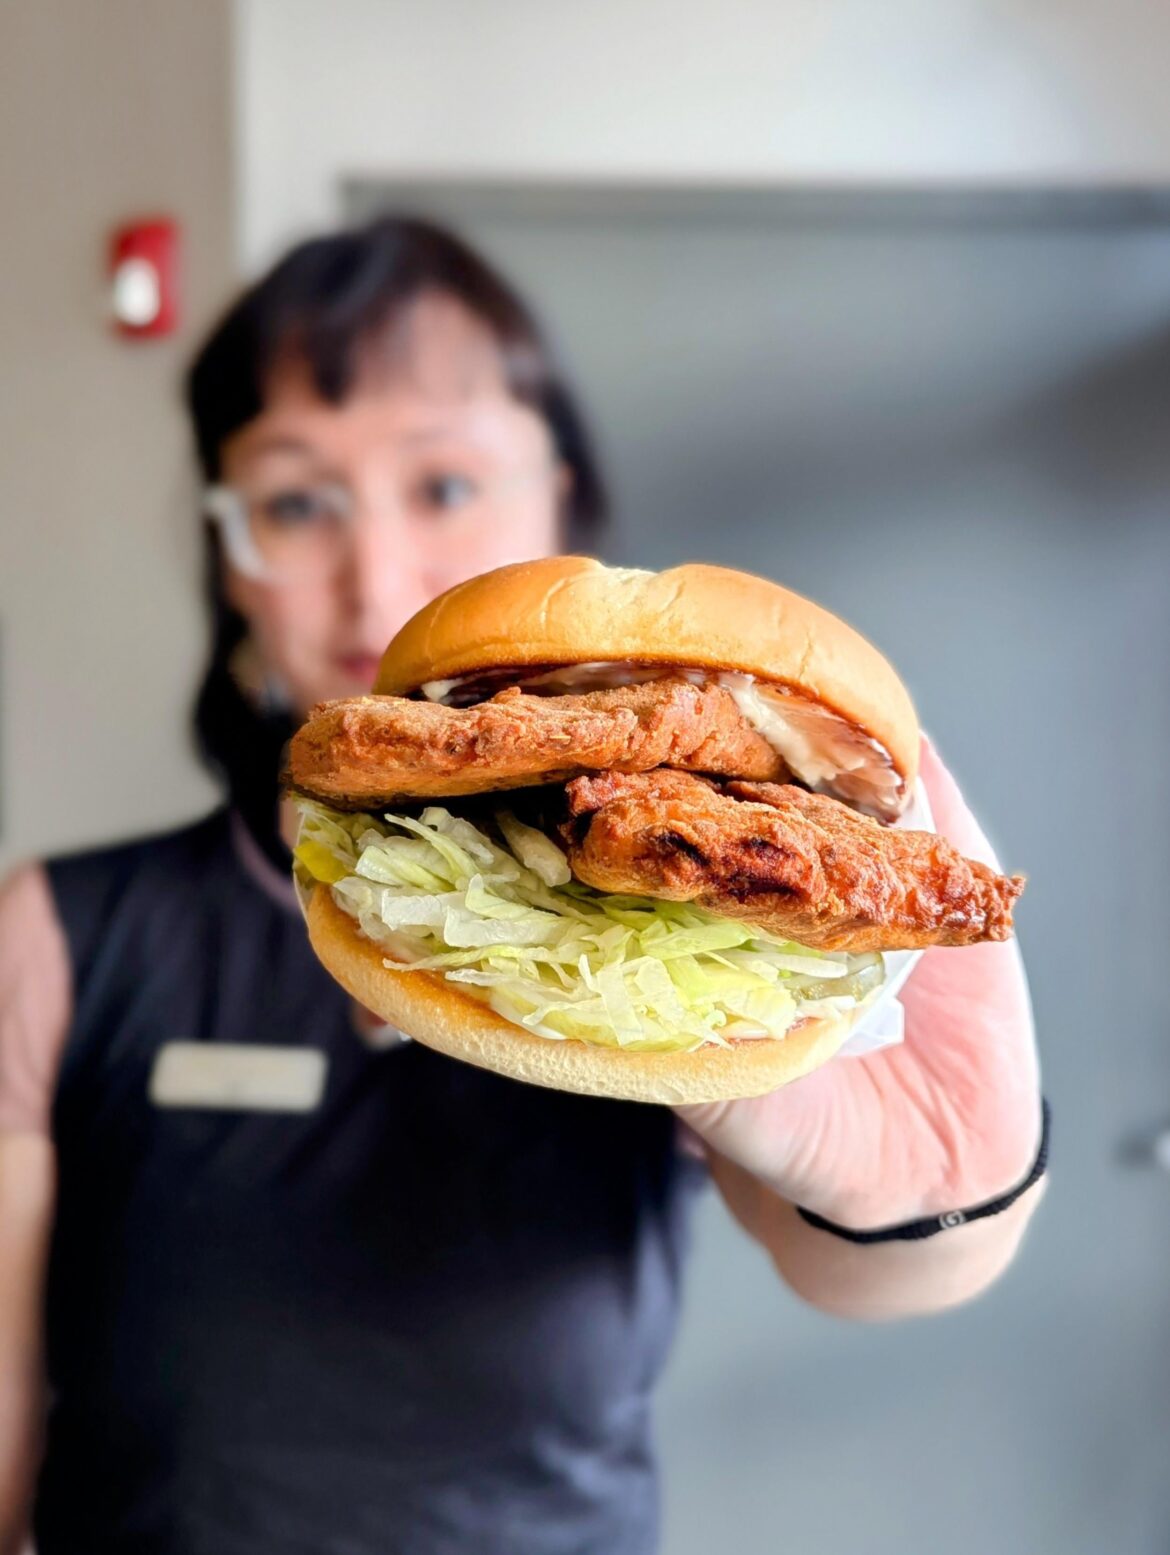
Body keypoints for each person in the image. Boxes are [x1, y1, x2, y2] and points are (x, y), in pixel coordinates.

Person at [0, 217, 1045, 1555]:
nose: (376, 577)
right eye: (296, 502)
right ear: (228, 557)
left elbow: (850, 1267)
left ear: (558, 500)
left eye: (443, 486)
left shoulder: (700, 963)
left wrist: (942, 1182)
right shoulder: (59, 935)